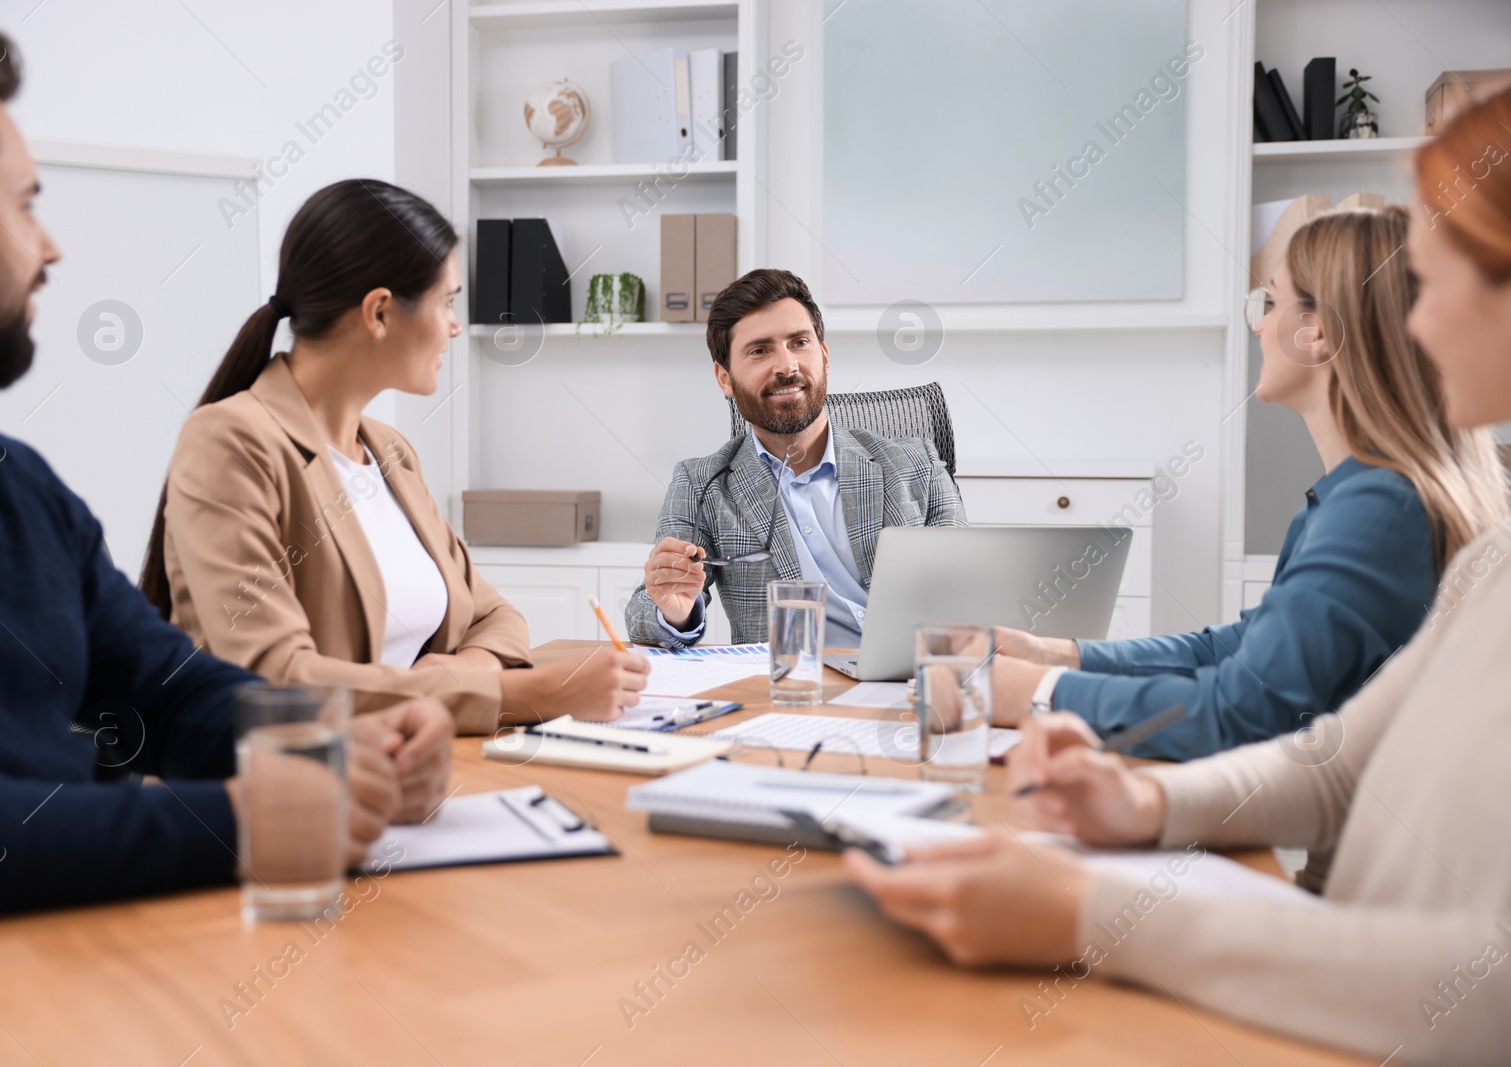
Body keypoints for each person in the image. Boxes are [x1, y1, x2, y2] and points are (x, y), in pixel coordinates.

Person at [847, 87, 1511, 1065]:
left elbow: (1484, 995)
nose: (1413, 318)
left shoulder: (1382, 502)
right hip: (1327, 953)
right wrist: (1141, 798)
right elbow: (1330, 754)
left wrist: (1090, 906)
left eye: (1435, 277)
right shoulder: (1488, 562)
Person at [0, 16, 450, 918]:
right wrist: (242, 819)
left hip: (86, 962)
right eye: (25, 204)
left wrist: (335, 743)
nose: (51, 248)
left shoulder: (14, 485)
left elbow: (168, 689)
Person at [987, 205, 1506, 759]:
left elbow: (1244, 710)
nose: (1257, 324)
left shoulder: (1379, 508)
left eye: (1270, 302)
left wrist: (1036, 694)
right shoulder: (1357, 498)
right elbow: (1241, 651)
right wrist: (1054, 655)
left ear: (1318, 332)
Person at [141, 180, 648, 735]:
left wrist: (467, 675)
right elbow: (276, 681)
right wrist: (522, 693)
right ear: (380, 312)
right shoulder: (230, 443)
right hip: (277, 796)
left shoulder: (390, 453)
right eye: (448, 302)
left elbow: (494, 616)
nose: (455, 325)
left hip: (411, 771)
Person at [625, 268, 967, 648]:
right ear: (725, 378)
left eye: (799, 343)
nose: (787, 366)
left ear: (823, 356)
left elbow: (966, 592)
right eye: (760, 350)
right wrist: (675, 608)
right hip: (790, 691)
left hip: (906, 685)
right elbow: (643, 614)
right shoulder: (701, 482)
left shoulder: (917, 463)